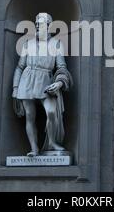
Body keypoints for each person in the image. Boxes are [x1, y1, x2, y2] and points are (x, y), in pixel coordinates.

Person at [12, 13, 73, 157]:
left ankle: (51, 142)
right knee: (29, 115)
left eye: (40, 23)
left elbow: (62, 67)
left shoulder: (56, 44)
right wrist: (15, 88)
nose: (37, 25)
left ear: (49, 26)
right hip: (26, 80)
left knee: (51, 112)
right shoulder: (28, 44)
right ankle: (34, 149)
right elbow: (19, 67)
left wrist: (59, 82)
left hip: (46, 80)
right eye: (36, 23)